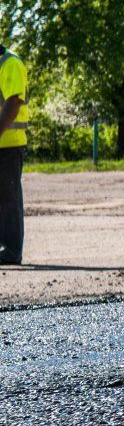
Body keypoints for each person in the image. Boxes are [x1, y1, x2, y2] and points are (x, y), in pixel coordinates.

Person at [0, 45, 24, 265]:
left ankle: (11, 251)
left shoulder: (10, 63)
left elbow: (14, 102)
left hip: (8, 145)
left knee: (8, 198)